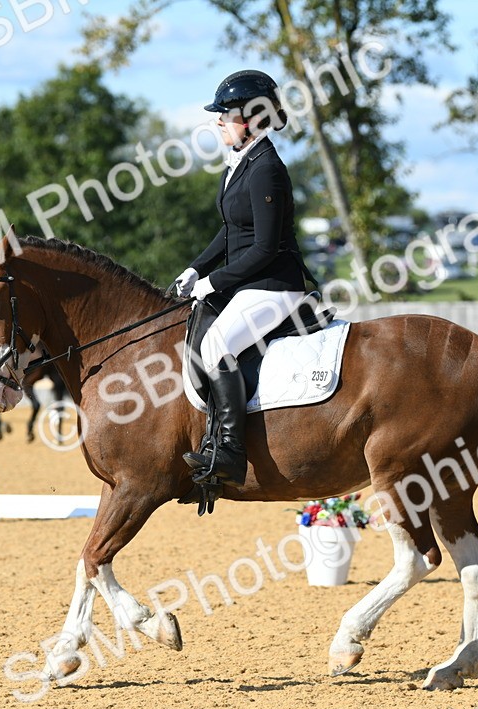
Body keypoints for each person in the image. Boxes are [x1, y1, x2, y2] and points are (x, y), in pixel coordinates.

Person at [171, 69, 310, 488]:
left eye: (226, 115)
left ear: (252, 119)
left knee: (216, 345)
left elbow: (264, 248)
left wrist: (213, 282)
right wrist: (197, 267)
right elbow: (231, 232)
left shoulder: (266, 169)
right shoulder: (241, 163)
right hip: (250, 284)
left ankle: (230, 451)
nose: (218, 121)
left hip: (276, 286)